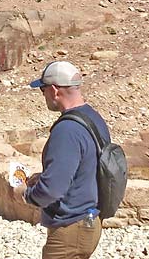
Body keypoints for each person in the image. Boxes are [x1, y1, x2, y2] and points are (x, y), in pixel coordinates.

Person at [26, 61, 108, 259]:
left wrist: (25, 194)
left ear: (54, 90)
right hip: (89, 221)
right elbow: (85, 168)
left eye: (43, 90)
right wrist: (44, 176)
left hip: (70, 230)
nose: (43, 96)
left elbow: (51, 190)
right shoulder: (93, 118)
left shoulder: (66, 131)